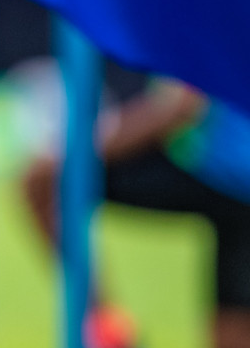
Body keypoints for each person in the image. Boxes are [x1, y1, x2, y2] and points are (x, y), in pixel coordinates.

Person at [23, 76, 250, 348]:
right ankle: (108, 330)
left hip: (220, 175)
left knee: (45, 179)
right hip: (220, 175)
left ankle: (108, 331)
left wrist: (80, 152)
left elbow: (181, 108)